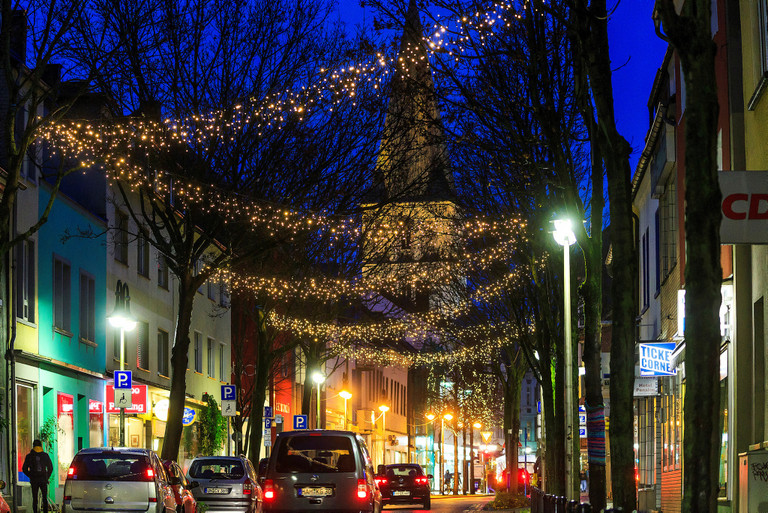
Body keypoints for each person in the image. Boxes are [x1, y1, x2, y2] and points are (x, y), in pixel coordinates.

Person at [22, 440, 53, 513]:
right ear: (41, 446)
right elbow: (50, 468)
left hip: (34, 480)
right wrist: (46, 476)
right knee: (44, 498)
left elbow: (24, 469)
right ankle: (45, 512)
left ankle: (35, 511)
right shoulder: (45, 455)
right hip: (43, 479)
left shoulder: (29, 456)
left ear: (33, 446)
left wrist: (31, 475)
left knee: (35, 498)